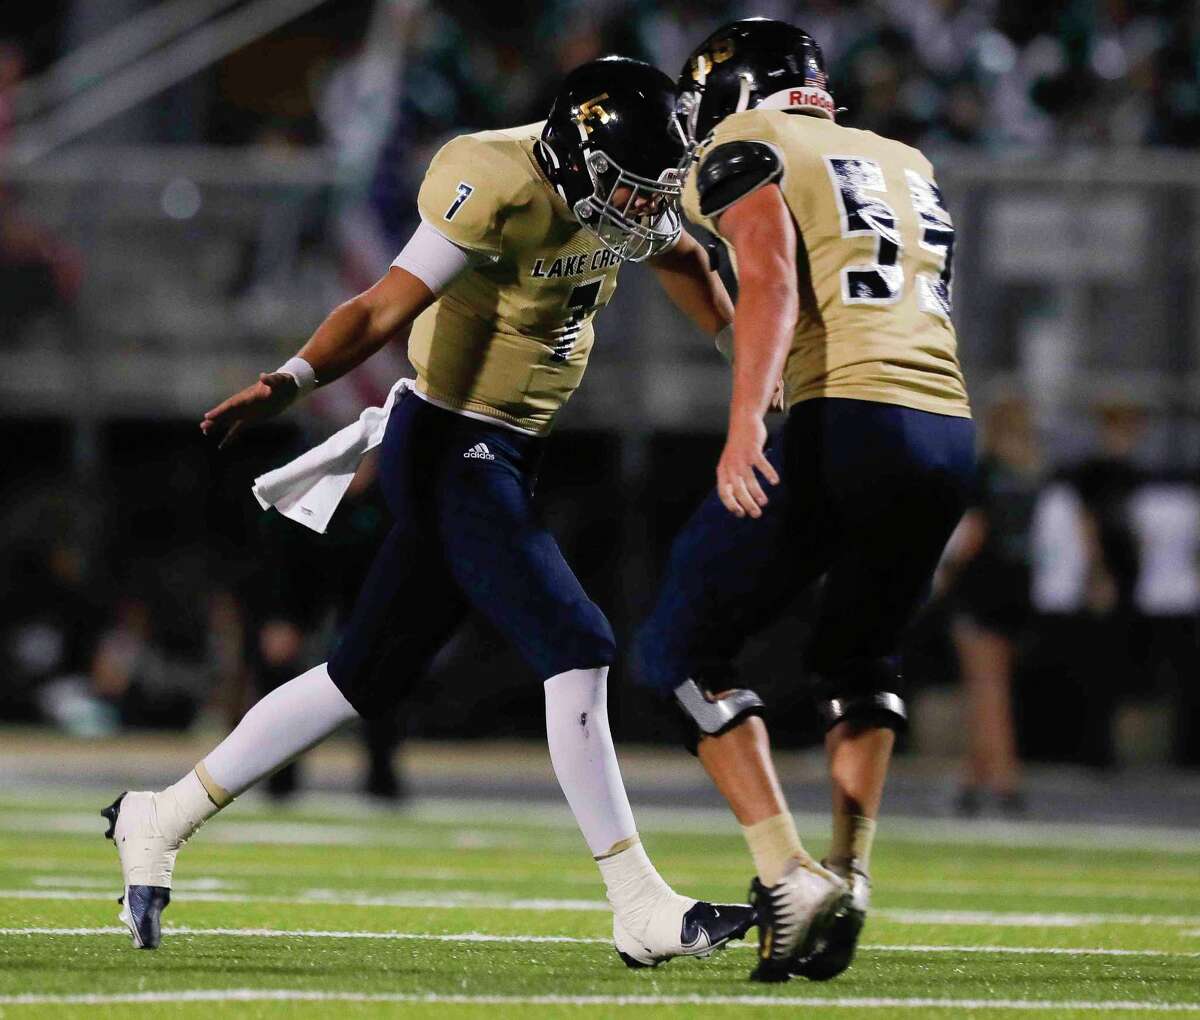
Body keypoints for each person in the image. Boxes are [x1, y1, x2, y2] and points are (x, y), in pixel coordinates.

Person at [101, 56, 756, 965]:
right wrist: (291, 380)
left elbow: (682, 254)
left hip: (513, 450)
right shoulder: (496, 179)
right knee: (577, 641)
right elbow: (380, 308)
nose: (645, 207)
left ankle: (157, 817)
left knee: (360, 675)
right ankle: (639, 904)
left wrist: (748, 360)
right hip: (449, 441)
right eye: (631, 189)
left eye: (654, 189)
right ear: (576, 157)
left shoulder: (628, 189)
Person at [635, 19, 975, 982]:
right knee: (858, 656)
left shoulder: (749, 147)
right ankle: (852, 871)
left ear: (734, 91)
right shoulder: (901, 156)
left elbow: (773, 274)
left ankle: (788, 875)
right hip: (946, 426)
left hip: (846, 419)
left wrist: (747, 419)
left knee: (675, 648)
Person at [939, 395, 1041, 815]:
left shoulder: (986, 472)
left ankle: (1005, 779)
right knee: (994, 686)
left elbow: (973, 532)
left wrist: (944, 574)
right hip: (1019, 584)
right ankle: (972, 778)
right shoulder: (1032, 473)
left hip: (982, 586)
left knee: (986, 689)